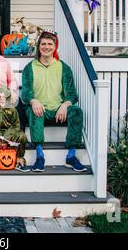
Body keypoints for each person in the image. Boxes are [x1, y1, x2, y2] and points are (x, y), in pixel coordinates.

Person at [21, 31, 86, 172]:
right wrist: (33, 101)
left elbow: (72, 94)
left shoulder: (63, 68)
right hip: (40, 110)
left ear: (55, 47)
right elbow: (25, 94)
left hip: (59, 111)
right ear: (39, 47)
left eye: (50, 44)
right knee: (35, 111)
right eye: (43, 44)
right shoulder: (29, 68)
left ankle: (71, 155)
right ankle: (39, 155)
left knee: (76, 111)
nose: (46, 47)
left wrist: (65, 104)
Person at [0, 86, 29, 173]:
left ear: (8, 98)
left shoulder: (12, 110)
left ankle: (19, 160)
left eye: (4, 97)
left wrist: (6, 137)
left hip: (10, 134)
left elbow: (16, 126)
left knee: (22, 136)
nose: (1, 99)